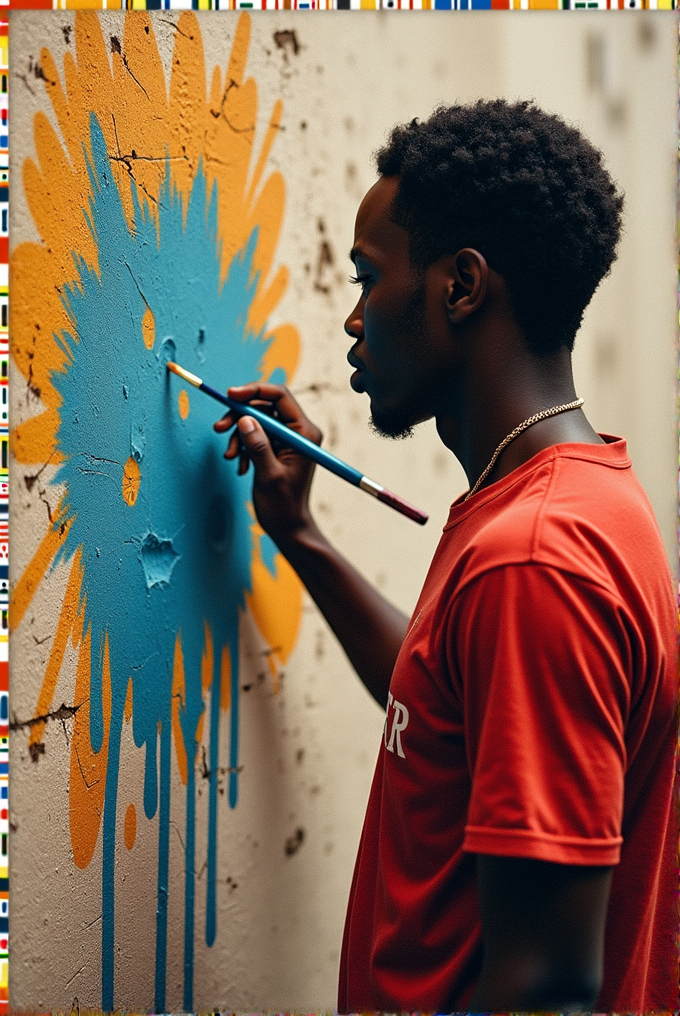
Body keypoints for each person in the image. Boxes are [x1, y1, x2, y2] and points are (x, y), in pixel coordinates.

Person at [214, 100, 677, 1013]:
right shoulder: (563, 505)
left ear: (460, 286)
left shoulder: (534, 561)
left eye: (367, 277)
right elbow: (449, 707)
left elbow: (545, 990)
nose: (352, 318)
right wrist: (301, 537)